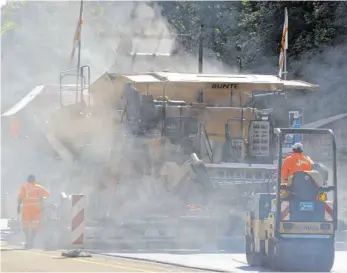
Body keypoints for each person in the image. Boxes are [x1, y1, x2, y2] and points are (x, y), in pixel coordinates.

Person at [17, 174, 50, 248]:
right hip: (37, 210)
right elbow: (47, 195)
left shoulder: (24, 187)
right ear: (35, 180)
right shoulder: (40, 188)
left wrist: (18, 207)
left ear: (27, 180)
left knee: (25, 226)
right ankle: (31, 240)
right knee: (35, 226)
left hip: (26, 210)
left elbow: (20, 198)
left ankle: (28, 239)